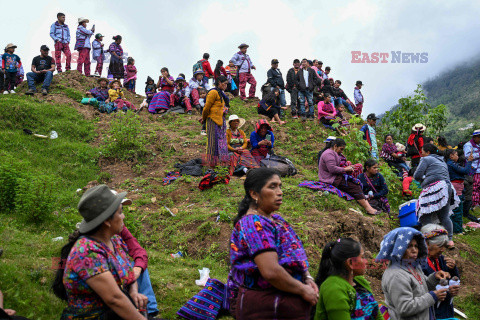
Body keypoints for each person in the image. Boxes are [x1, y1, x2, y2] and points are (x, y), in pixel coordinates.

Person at [229, 168, 318, 319]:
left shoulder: (276, 220)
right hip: (266, 305)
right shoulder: (253, 224)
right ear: (254, 194)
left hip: (284, 301)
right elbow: (270, 271)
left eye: (280, 186)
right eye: (272, 186)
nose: (280, 192)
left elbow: (295, 256)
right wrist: (303, 290)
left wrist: (307, 277)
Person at [51, 185, 148, 319]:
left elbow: (129, 275)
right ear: (107, 221)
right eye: (120, 212)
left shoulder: (115, 241)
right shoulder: (87, 251)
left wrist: (133, 292)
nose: (124, 216)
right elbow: (114, 298)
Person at [376, 227, 449, 320]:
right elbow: (405, 308)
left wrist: (434, 277)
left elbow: (421, 288)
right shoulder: (396, 275)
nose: (414, 250)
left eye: (416, 246)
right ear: (398, 249)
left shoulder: (412, 267)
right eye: (409, 246)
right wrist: (433, 296)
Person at [314, 238, 382, 320]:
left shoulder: (360, 281)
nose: (366, 261)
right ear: (350, 262)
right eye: (362, 257)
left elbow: (377, 315)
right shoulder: (333, 289)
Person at [414, 143, 459, 249]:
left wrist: (423, 179)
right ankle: (449, 240)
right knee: (444, 216)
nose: (421, 153)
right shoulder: (441, 160)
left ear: (428, 152)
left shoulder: (426, 159)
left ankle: (432, 240)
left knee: (425, 215)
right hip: (447, 187)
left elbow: (417, 175)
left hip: (436, 187)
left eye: (423, 151)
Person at [318, 138, 379, 215]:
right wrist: (345, 169)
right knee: (355, 187)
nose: (341, 151)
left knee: (355, 183)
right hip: (330, 179)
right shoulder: (329, 154)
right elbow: (332, 169)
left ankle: (368, 206)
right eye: (341, 149)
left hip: (334, 177)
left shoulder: (332, 153)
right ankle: (368, 208)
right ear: (335, 146)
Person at [420, 224, 460, 319]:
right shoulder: (418, 264)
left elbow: (450, 280)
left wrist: (453, 270)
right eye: (439, 246)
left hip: (445, 311)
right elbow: (420, 289)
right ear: (426, 243)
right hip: (430, 313)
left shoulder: (441, 259)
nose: (442, 249)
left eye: (444, 246)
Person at [445, 148, 478, 227]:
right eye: (456, 155)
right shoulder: (451, 164)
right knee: (457, 208)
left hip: (457, 186)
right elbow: (465, 171)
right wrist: (469, 161)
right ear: (451, 156)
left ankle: (457, 226)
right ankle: (457, 229)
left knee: (457, 207)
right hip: (456, 187)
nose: (457, 156)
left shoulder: (451, 163)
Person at [202, 75, 229, 167]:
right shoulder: (213, 92)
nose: (226, 86)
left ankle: (218, 164)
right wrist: (204, 118)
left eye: (226, 84)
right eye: (224, 84)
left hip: (219, 121)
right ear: (219, 83)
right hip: (212, 120)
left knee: (219, 143)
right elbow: (206, 107)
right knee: (212, 143)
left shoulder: (220, 94)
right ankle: (210, 164)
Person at [463, 129, 480, 208]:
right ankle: (474, 204)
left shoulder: (478, 144)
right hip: (473, 169)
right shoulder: (468, 145)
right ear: (475, 137)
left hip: (478, 169)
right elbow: (468, 156)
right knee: (474, 187)